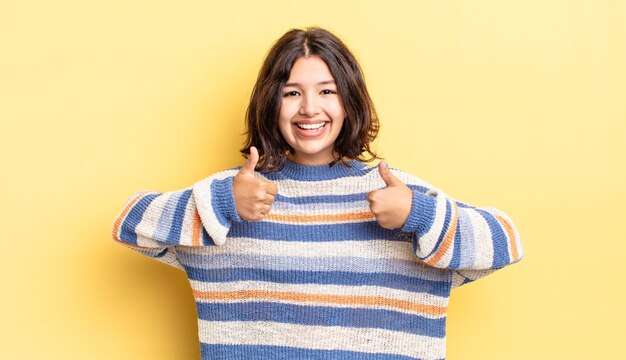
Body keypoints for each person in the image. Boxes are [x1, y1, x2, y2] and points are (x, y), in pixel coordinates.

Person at [112, 27, 523, 360]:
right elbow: (130, 223)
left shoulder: (396, 193)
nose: (310, 108)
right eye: (292, 92)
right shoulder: (237, 195)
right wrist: (221, 203)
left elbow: (507, 241)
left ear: (350, 102)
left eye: (327, 91)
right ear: (271, 102)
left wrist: (421, 216)